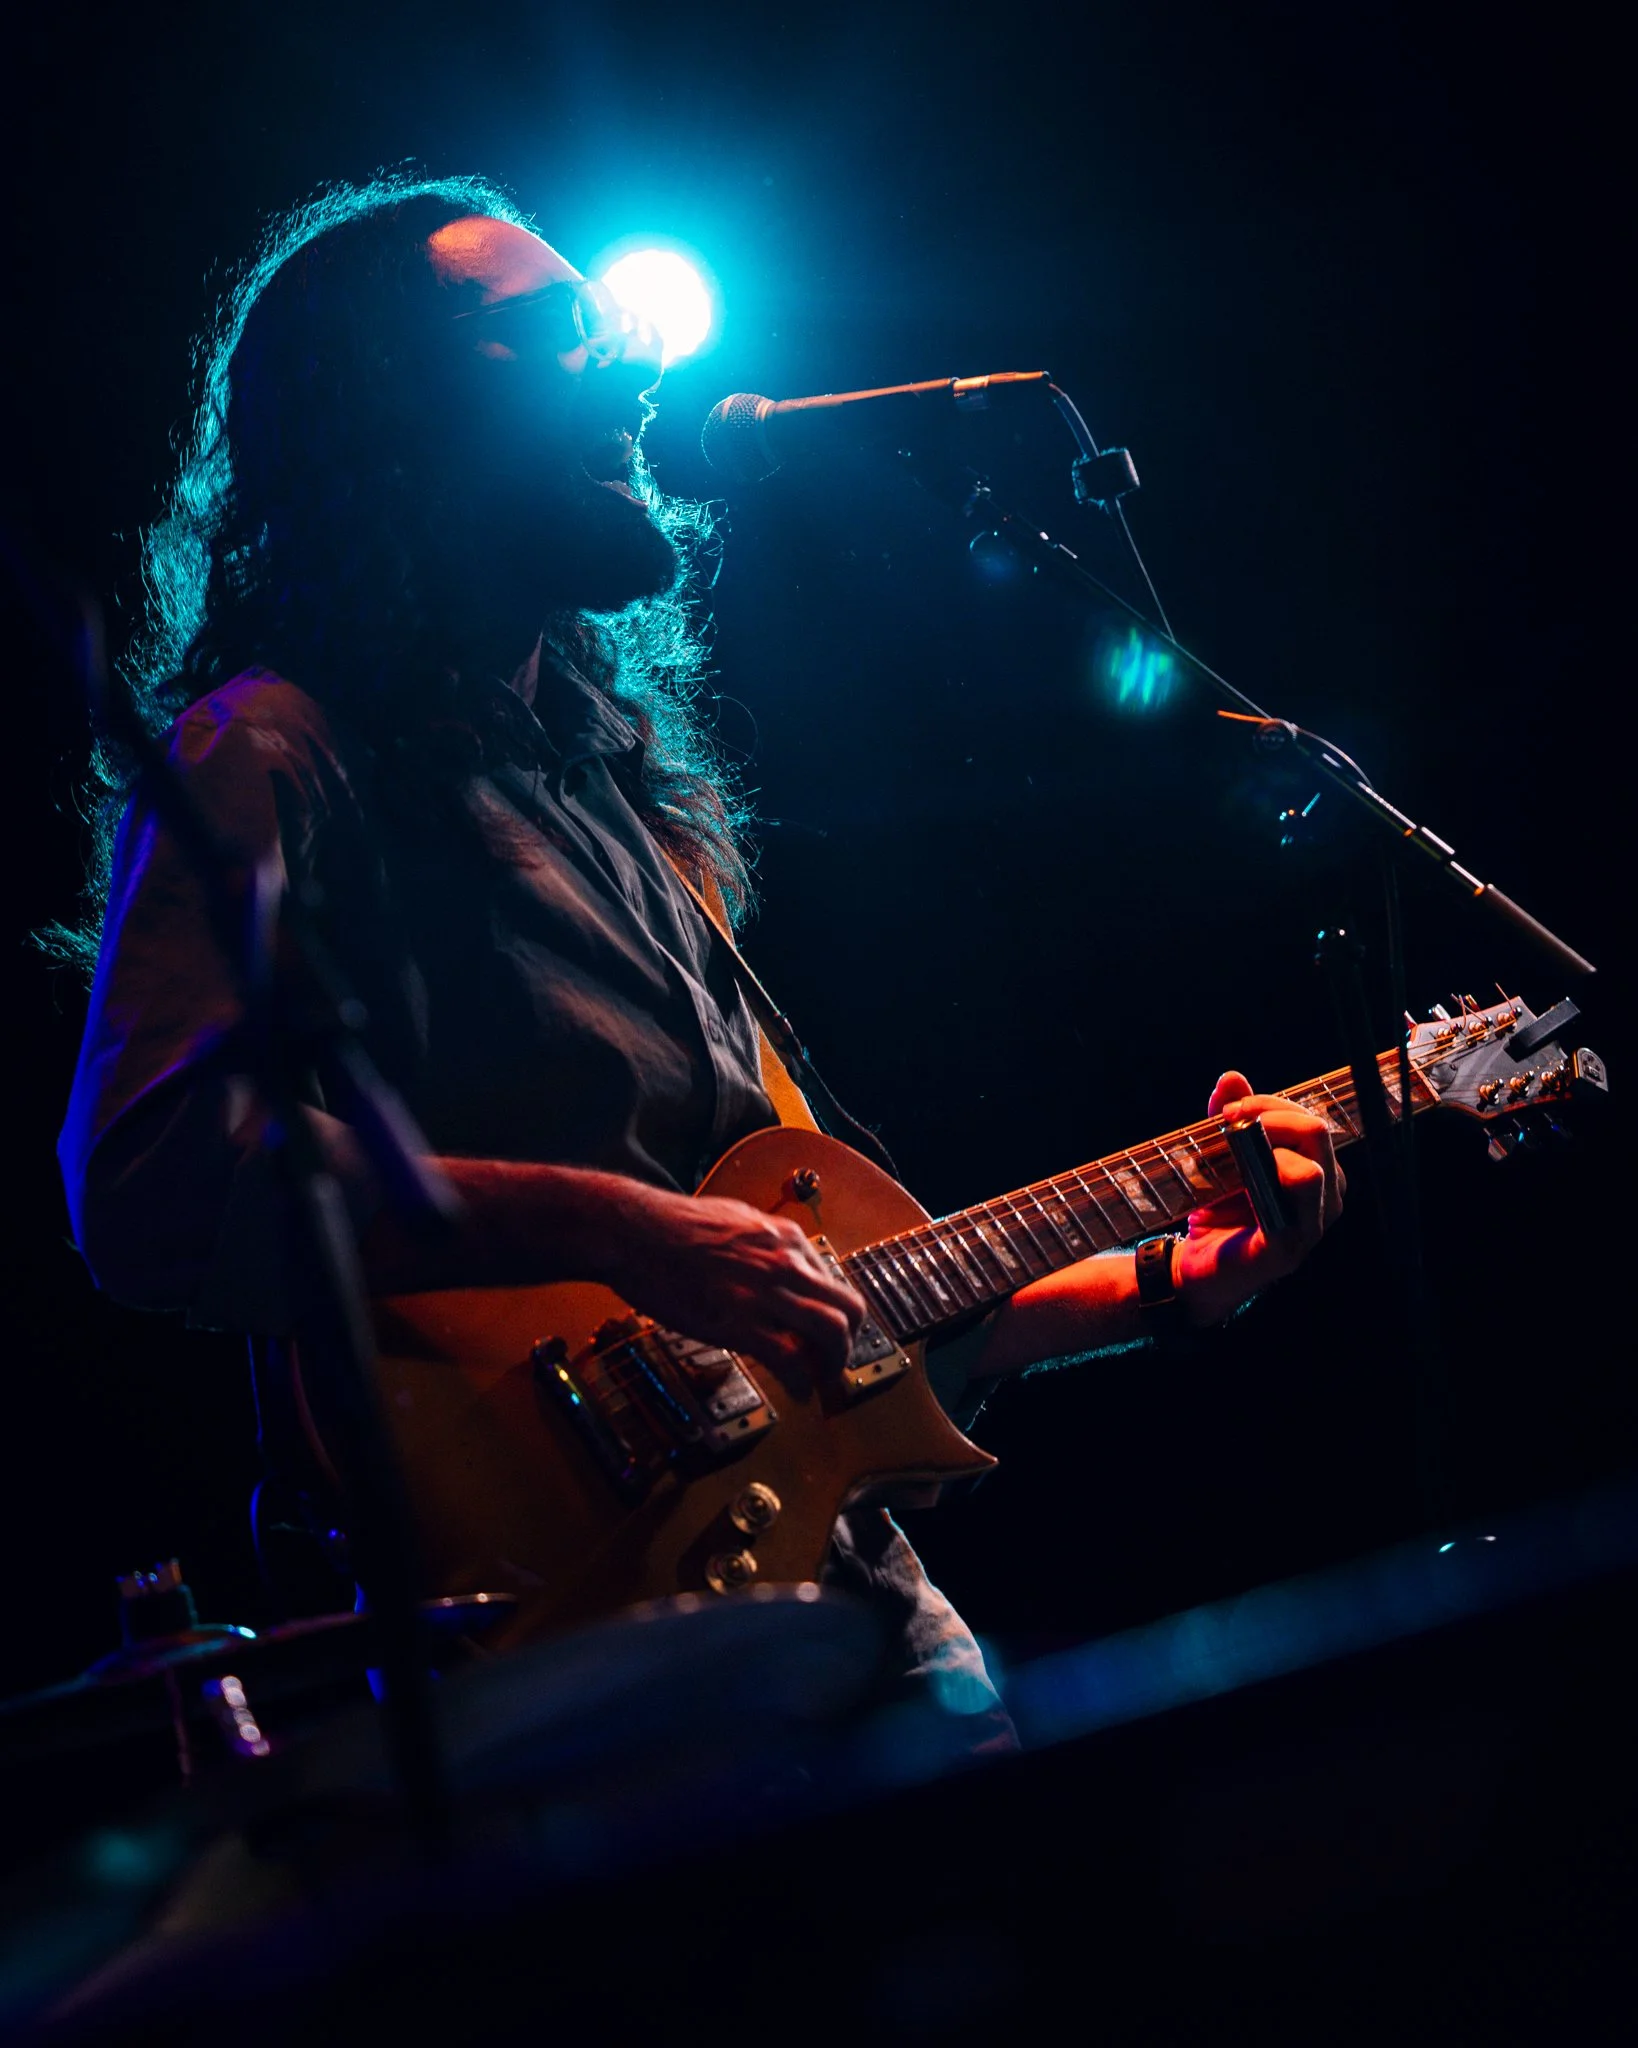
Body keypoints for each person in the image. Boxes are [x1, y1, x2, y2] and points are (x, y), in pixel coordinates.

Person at [56, 176, 1343, 1747]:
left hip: (844, 1604)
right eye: (555, 337)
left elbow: (845, 1322)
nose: (637, 369)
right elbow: (153, 1178)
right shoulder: (267, 751)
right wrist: (624, 1227)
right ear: (381, 412)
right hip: (563, 1650)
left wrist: (1172, 1279)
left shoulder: (608, 783)